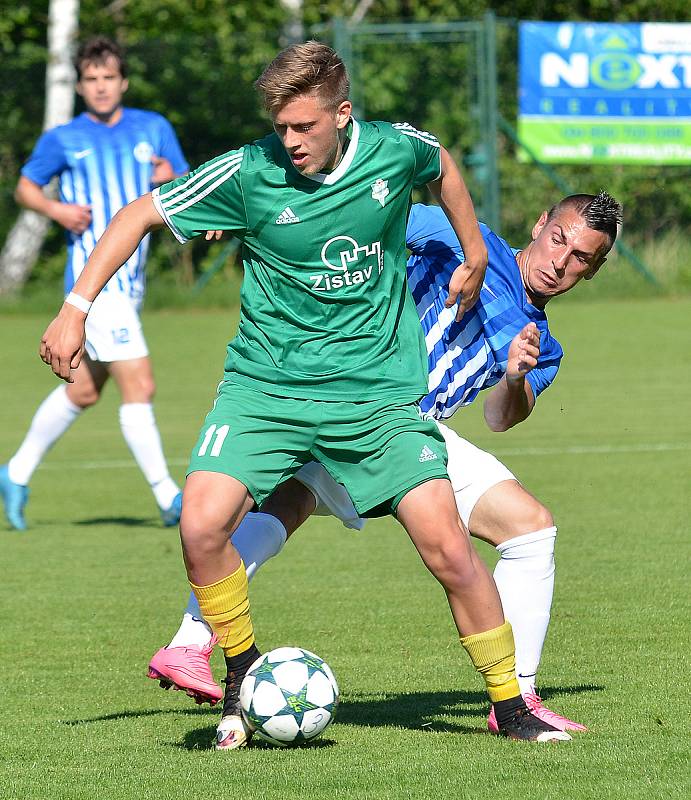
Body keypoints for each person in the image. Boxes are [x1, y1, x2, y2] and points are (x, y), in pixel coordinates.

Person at [39, 41, 570, 749]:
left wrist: (475, 253)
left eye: (303, 128)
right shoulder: (249, 169)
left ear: (342, 115)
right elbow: (138, 214)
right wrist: (75, 306)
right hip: (267, 387)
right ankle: (238, 672)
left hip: (375, 395)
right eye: (280, 126)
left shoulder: (389, 152)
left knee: (447, 548)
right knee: (200, 526)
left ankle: (511, 706)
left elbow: (439, 164)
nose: (287, 142)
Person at [148, 192, 622, 734]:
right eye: (558, 239)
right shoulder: (459, 236)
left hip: (414, 433)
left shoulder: (545, 346)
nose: (560, 261)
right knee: (283, 501)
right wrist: (240, 218)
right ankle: (190, 640)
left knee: (529, 529)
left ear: (594, 269)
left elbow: (499, 417)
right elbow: (350, 211)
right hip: (354, 396)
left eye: (581, 257)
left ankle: (518, 693)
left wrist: (515, 374)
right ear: (540, 224)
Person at [0, 36, 189, 531]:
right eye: (91, 80)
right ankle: (169, 498)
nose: (101, 87)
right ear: (81, 86)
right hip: (95, 284)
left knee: (83, 391)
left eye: (109, 78)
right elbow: (25, 186)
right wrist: (56, 208)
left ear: (123, 82)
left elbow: (185, 181)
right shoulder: (63, 137)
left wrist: (170, 175)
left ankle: (15, 473)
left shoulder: (154, 128)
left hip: (133, 284)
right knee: (140, 384)